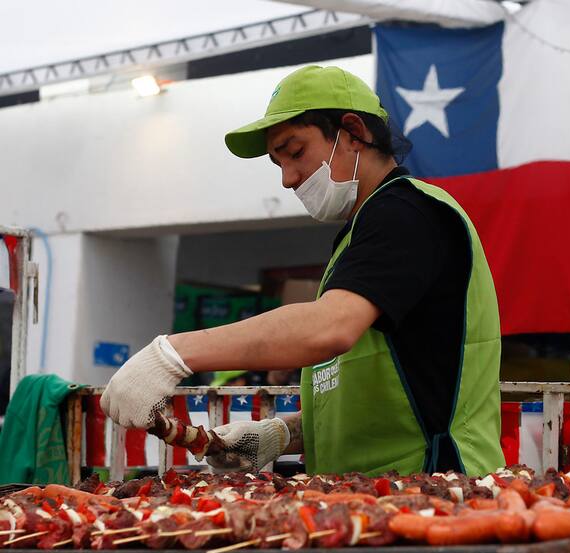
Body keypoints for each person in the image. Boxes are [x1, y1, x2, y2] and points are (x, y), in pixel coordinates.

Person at [101, 65, 505, 477]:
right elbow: (397, 390)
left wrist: (172, 355)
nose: (288, 179)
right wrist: (283, 434)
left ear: (353, 133)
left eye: (295, 152)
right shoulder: (359, 235)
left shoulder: (407, 213)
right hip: (369, 497)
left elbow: (330, 328)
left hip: (436, 494)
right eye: (278, 163)